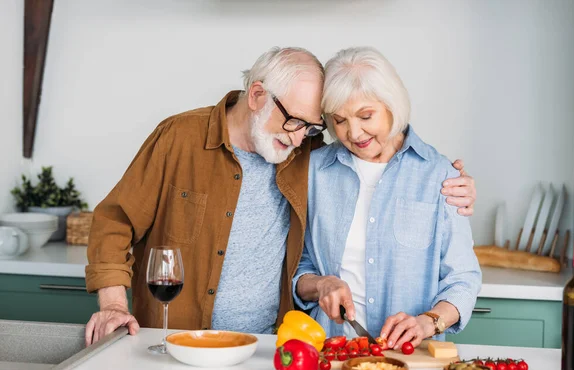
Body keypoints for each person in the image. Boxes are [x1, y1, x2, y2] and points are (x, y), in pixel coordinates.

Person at [84, 47, 477, 346]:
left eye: (310, 128)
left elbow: (381, 158)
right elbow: (114, 222)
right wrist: (114, 306)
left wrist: (452, 180)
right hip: (178, 341)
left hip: (268, 347)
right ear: (256, 95)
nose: (296, 137)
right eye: (295, 121)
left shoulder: (308, 155)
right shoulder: (179, 139)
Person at [293, 47, 482, 352]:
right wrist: (320, 285)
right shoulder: (314, 172)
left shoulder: (439, 176)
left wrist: (429, 321)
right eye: (339, 121)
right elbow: (296, 265)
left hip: (411, 359)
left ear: (393, 106)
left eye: (366, 116)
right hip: (330, 352)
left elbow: (463, 278)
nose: (353, 133)